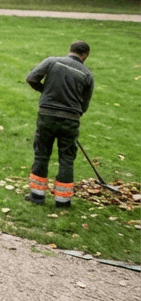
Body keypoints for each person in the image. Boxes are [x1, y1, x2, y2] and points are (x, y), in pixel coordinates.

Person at [25, 41, 94, 209]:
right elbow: (83, 106)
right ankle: (63, 202)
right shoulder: (87, 74)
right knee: (67, 159)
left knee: (41, 154)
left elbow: (31, 78)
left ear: (70, 50)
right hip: (70, 120)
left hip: (47, 116)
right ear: (84, 55)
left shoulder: (52, 61)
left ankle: (37, 196)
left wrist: (47, 91)